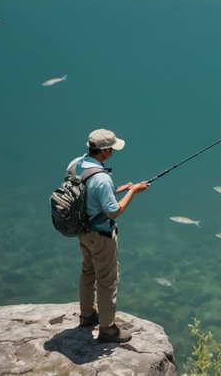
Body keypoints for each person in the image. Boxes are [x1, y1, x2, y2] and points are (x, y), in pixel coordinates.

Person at [72, 128, 148, 343]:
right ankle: (108, 330)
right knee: (107, 282)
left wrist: (120, 189)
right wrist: (133, 192)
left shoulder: (78, 164)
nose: (113, 150)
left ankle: (87, 316)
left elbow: (87, 196)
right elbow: (112, 211)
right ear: (104, 150)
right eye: (112, 147)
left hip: (82, 231)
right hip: (101, 235)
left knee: (88, 273)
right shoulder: (103, 179)